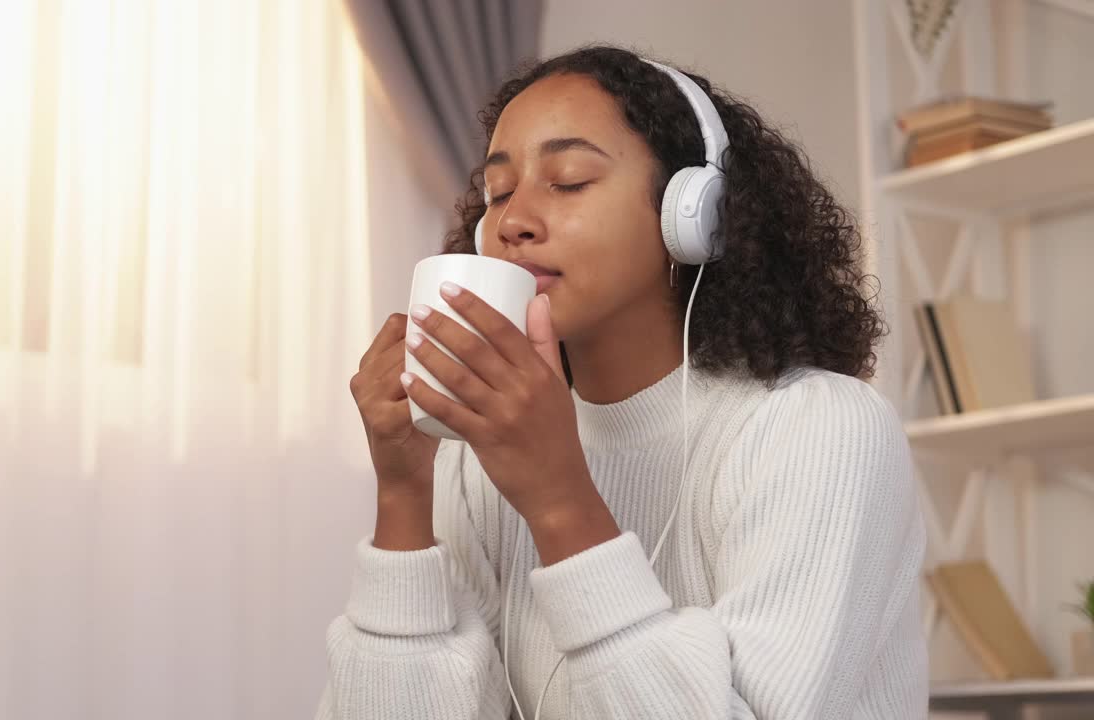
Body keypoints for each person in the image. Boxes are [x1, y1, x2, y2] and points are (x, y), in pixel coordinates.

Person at [317, 45, 927, 719]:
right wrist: (404, 494)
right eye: (498, 193)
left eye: (569, 179)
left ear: (691, 215)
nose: (512, 221)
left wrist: (558, 503)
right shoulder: (480, 456)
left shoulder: (819, 429)